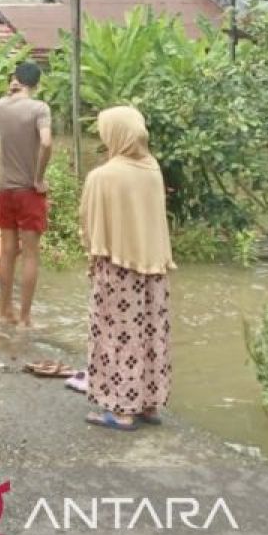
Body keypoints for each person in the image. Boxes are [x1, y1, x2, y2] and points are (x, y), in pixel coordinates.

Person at [80, 106, 174, 431]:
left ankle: (121, 410)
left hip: (117, 268)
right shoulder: (152, 168)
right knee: (149, 333)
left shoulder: (102, 177)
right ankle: (148, 404)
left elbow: (91, 227)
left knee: (117, 336)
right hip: (153, 269)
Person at [0, 62, 53, 328]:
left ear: (15, 80)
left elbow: (2, 101)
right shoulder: (40, 109)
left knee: (6, 252)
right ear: (36, 84)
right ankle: (25, 318)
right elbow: (47, 142)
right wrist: (38, 178)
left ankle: (4, 311)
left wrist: (9, 93)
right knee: (30, 254)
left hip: (4, 189)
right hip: (28, 190)